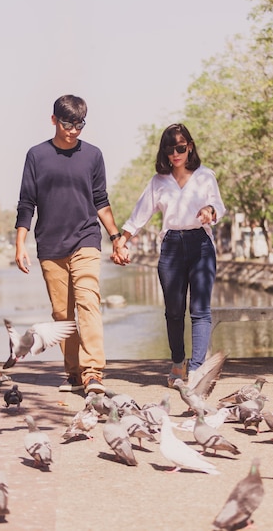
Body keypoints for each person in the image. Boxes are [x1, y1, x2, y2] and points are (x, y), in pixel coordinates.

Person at [15, 94, 123, 395]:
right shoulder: (37, 156)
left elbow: (101, 200)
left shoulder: (93, 155)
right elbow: (27, 203)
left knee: (88, 302)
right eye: (67, 124)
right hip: (50, 246)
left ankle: (92, 372)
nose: (74, 131)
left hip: (86, 239)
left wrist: (115, 237)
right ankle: (74, 372)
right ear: (53, 120)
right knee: (62, 314)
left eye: (80, 125)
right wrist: (20, 243)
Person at [112, 123, 225, 387]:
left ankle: (196, 369)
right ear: (164, 151)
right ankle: (178, 362)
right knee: (174, 311)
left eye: (181, 148)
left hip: (201, 245)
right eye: (170, 148)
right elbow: (139, 215)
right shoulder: (158, 181)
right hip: (171, 246)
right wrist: (121, 241)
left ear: (190, 147)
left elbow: (218, 205)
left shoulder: (205, 175)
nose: (176, 153)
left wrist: (210, 211)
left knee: (200, 310)